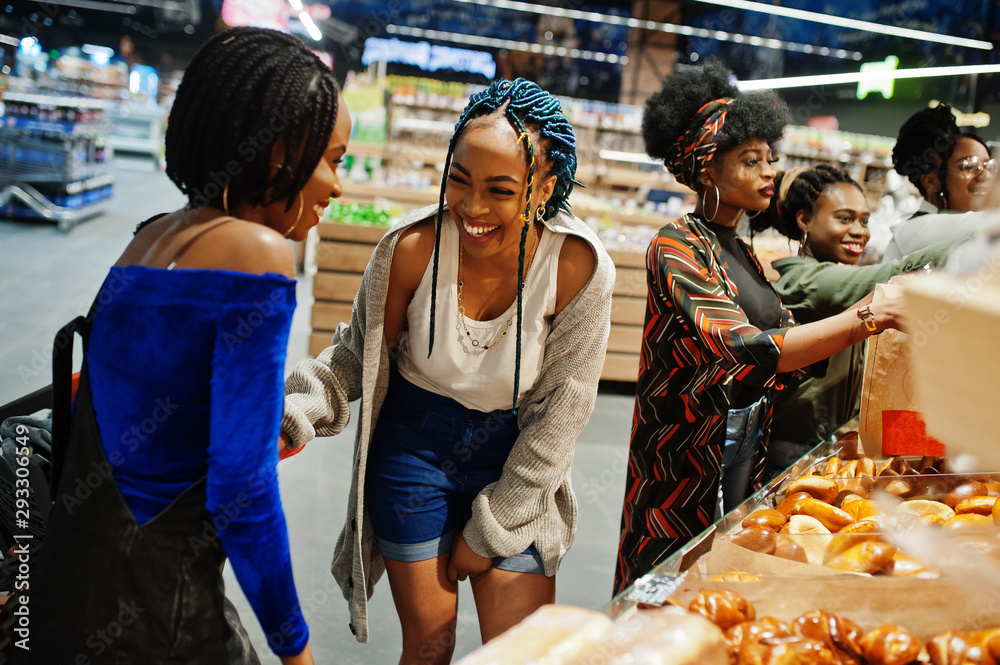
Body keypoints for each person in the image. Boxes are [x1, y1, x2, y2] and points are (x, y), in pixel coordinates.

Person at [30, 27, 349, 665]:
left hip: (73, 587)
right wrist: (296, 649)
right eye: (332, 158)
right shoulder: (256, 253)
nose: (337, 185)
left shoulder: (151, 238)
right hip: (160, 613)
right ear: (279, 151)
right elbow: (242, 488)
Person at [279, 78, 613, 665]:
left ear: (545, 188)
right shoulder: (410, 249)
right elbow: (356, 358)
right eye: (459, 179)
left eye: (501, 190)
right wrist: (295, 411)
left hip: (521, 459)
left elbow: (563, 411)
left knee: (522, 654)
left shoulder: (579, 267)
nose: (473, 208)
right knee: (430, 649)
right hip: (413, 449)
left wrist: (491, 532)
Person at [613, 61, 906, 595]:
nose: (770, 170)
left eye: (770, 158)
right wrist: (864, 317)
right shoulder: (676, 245)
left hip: (741, 447)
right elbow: (743, 346)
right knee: (663, 585)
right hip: (683, 459)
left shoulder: (743, 252)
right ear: (706, 169)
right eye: (751, 161)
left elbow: (786, 345)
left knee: (719, 579)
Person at [758, 165, 961, 469]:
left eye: (865, 220)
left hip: (835, 445)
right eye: (844, 218)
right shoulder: (806, 281)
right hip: (795, 453)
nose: (859, 230)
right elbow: (893, 273)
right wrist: (980, 245)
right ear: (805, 220)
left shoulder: (840, 276)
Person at [883, 103, 997, 261]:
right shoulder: (916, 229)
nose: (985, 175)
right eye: (969, 166)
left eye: (989, 166)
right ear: (930, 182)